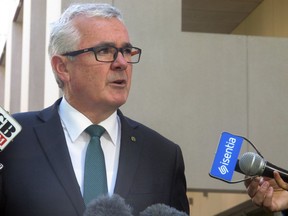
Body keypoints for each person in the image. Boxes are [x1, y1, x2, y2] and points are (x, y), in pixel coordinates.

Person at [0, 3, 189, 216]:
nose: (122, 63)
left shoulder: (163, 155)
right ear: (62, 67)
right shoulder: (12, 141)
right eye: (104, 51)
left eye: (126, 51)